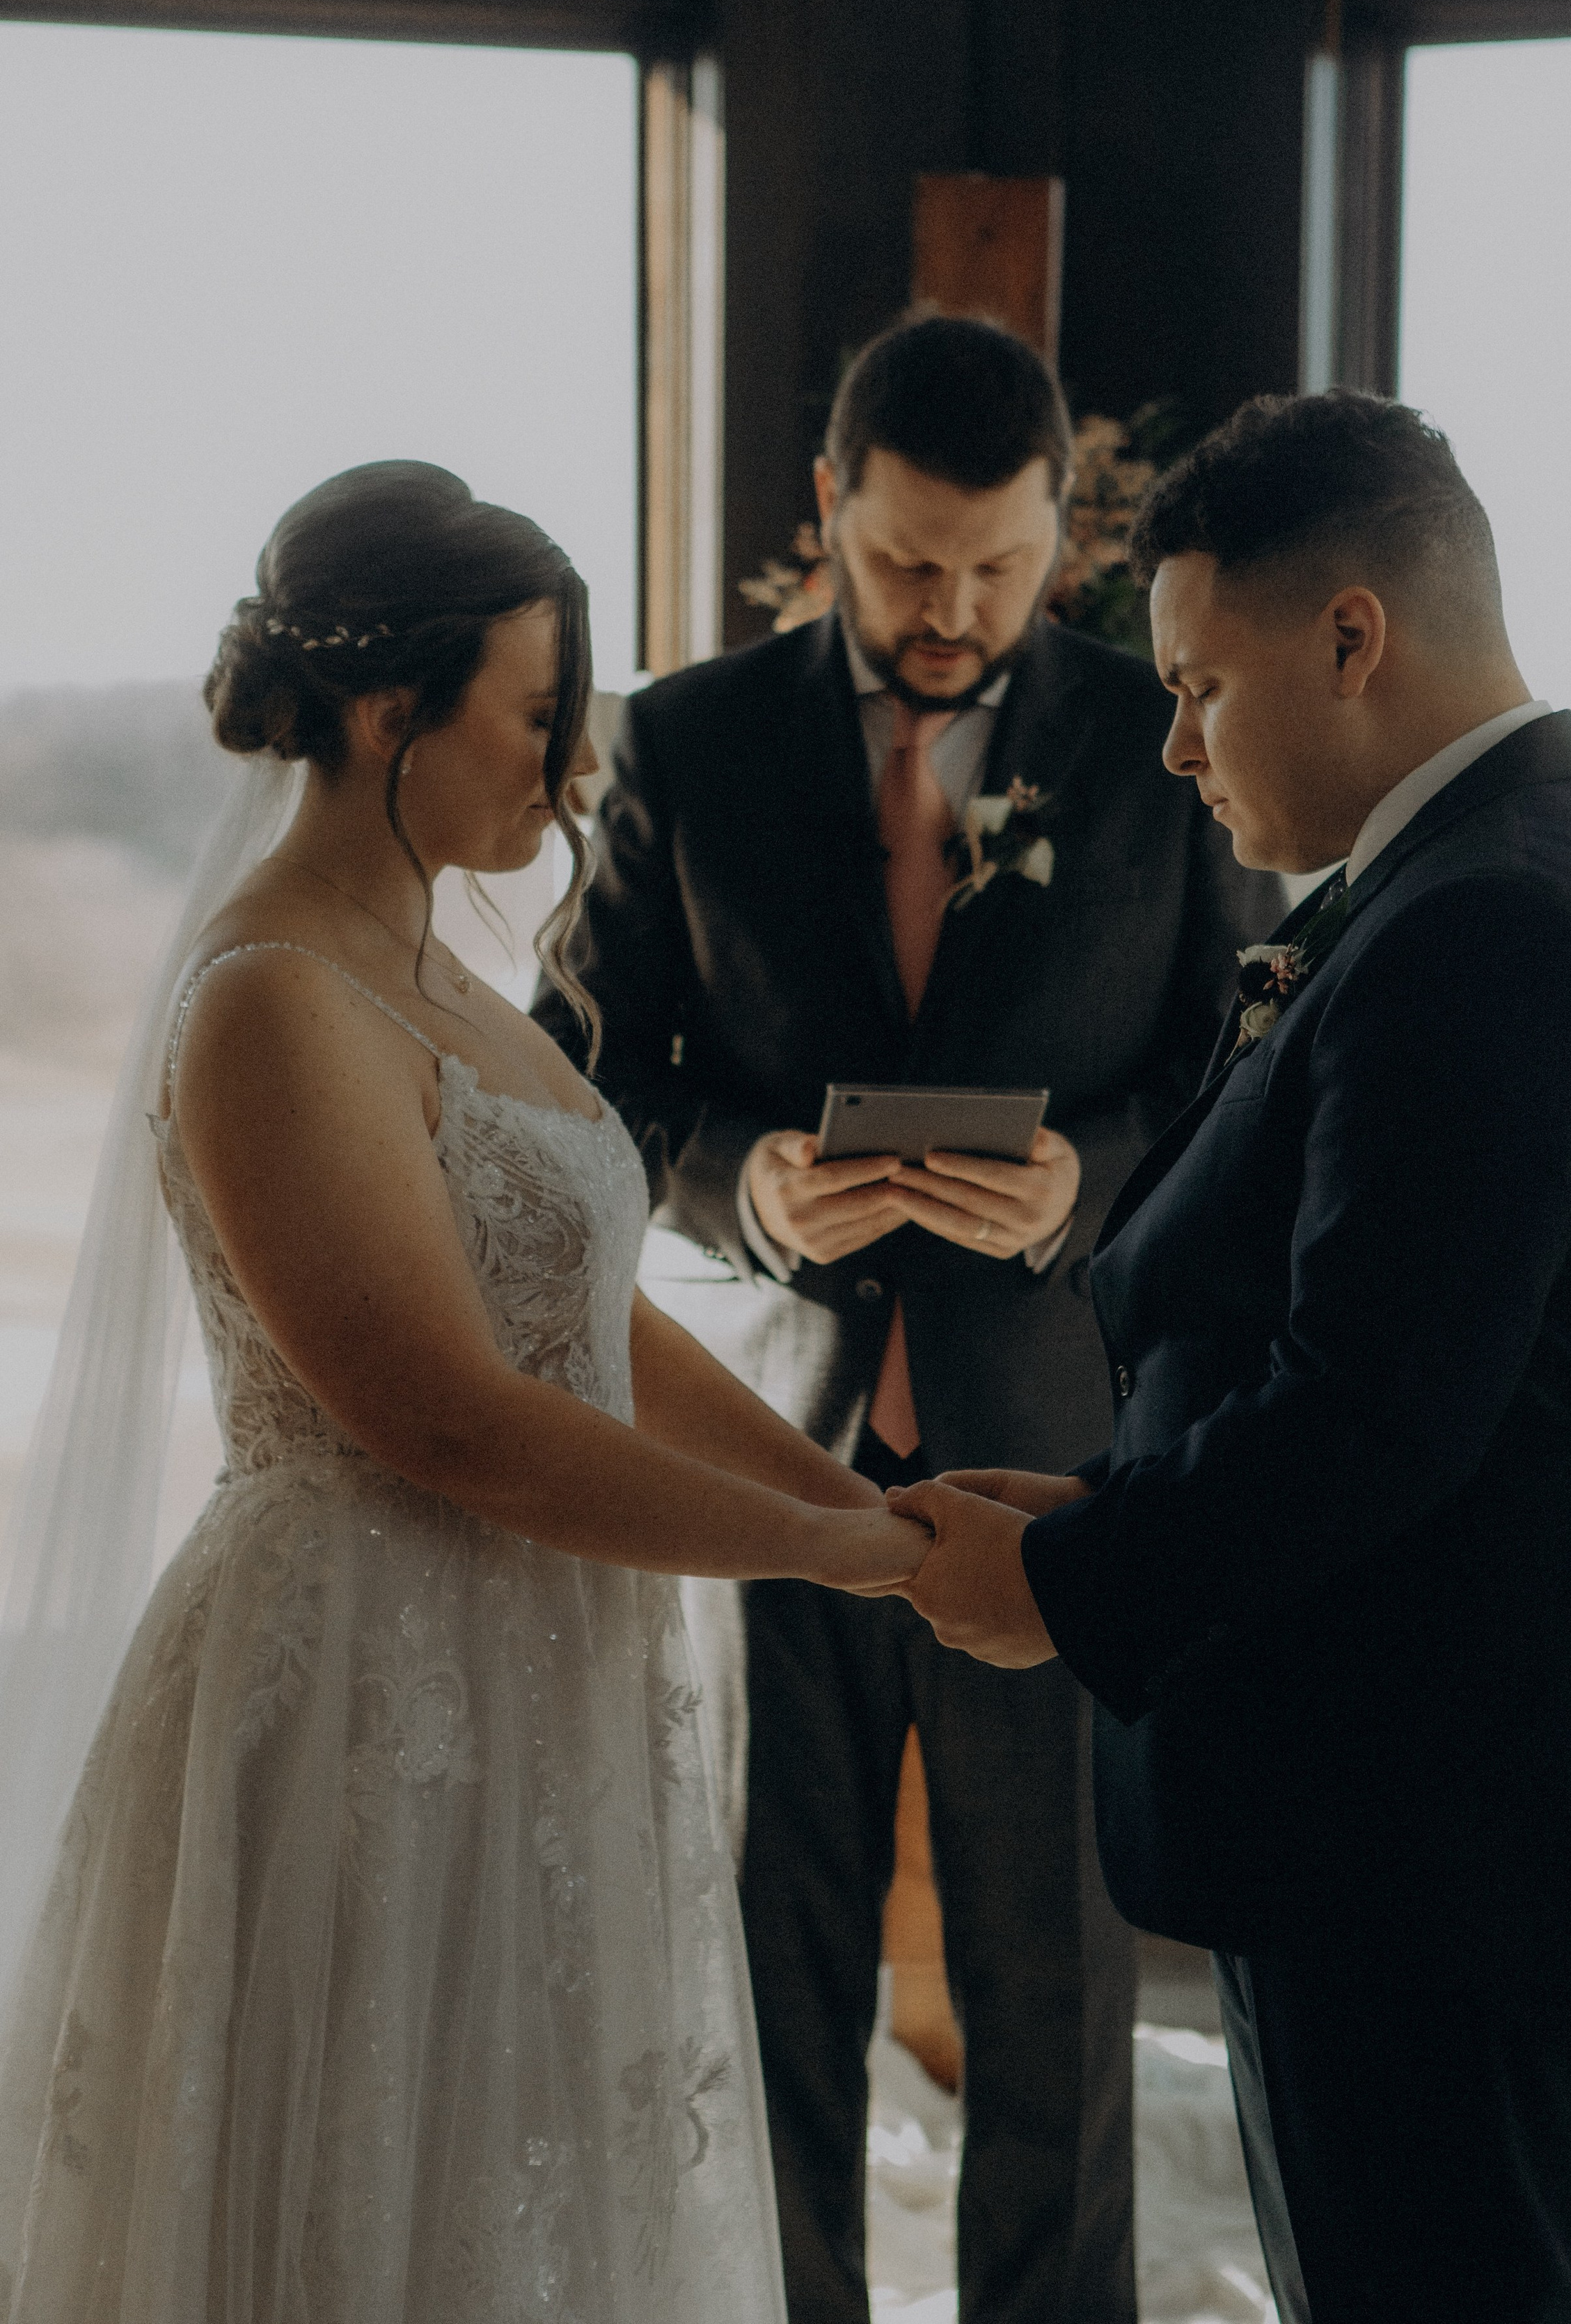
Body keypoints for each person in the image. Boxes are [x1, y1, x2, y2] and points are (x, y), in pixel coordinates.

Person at [0, 461, 926, 2324]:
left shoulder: (444, 983)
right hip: (366, 1679)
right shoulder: (272, 996)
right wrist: (842, 1560)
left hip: (539, 1666)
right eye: (537, 713)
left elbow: (598, 1328)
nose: (574, 768)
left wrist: (865, 1502)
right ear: (381, 709)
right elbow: (447, 1418)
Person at [888, 390, 1571, 2324]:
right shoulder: (1491, 865)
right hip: (1401, 1798)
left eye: (1199, 686)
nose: (1175, 745)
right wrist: (1101, 1498)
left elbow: (1382, 1410)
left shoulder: (1490, 918)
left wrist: (1069, 1582)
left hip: (1438, 1823)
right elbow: (1375, 1343)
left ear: (1352, 636)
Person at [535, 315, 1274, 2324]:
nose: (951, 611)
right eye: (905, 563)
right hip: (768, 1454)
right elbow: (577, 1081)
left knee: (1059, 1971)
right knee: (770, 1961)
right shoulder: (688, 743)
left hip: (1057, 1453)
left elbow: (1243, 1075)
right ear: (829, 511)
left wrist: (1087, 1184)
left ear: (1062, 537)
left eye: (999, 568)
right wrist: (738, 1188)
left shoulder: (1158, 743)